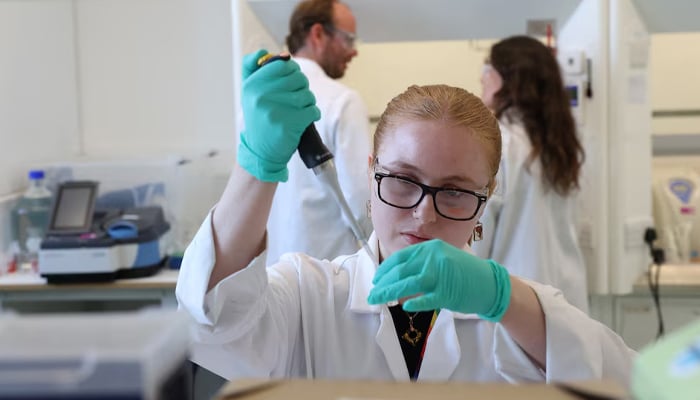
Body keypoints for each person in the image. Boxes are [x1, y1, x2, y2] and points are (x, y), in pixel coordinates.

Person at [176, 49, 635, 384]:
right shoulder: (310, 295)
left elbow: (626, 381)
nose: (423, 213)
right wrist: (255, 166)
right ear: (371, 170)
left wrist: (503, 298)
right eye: (402, 180)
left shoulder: (516, 312)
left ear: (487, 194)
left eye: (454, 191)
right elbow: (214, 324)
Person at [472, 35, 590, 313]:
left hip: (514, 304)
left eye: (488, 66)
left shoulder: (498, 140)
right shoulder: (560, 146)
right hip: (566, 302)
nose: (482, 76)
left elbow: (479, 227)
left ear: (507, 79)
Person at [264, 0, 371, 264]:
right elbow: (362, 206)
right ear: (318, 34)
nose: (354, 52)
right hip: (327, 282)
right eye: (348, 40)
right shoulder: (343, 101)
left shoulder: (259, 103)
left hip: (271, 278)